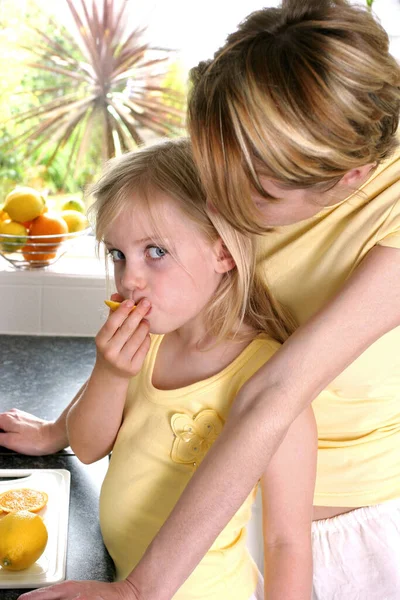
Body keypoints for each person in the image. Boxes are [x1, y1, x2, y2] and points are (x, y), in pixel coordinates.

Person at [7, 0, 400, 598]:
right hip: (203, 516)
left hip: (335, 527)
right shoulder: (252, 154)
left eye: (253, 190)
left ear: (349, 178)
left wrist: (140, 590)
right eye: (214, 164)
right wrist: (62, 429)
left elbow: (272, 394)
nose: (216, 201)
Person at [13, 137, 316, 600]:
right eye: (118, 254)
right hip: (119, 581)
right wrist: (110, 374)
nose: (129, 278)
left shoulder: (272, 381)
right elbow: (91, 447)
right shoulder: (148, 341)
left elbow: (286, 543)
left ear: (223, 252)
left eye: (155, 251)